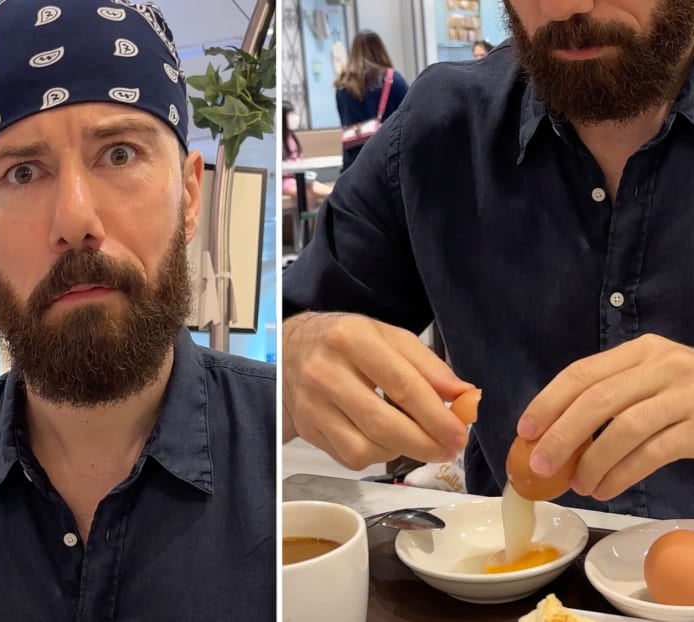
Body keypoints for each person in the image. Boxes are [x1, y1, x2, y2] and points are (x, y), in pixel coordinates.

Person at [0, 2, 275, 620]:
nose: (76, 222)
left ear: (190, 196)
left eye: (119, 155)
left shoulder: (285, 461)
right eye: (23, 172)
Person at [283, 0, 694, 520]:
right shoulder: (440, 130)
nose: (563, 5)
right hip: (503, 583)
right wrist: (297, 358)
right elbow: (280, 355)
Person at [335, 30, 408, 170]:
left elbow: (344, 120)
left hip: (352, 163)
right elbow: (410, 116)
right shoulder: (393, 80)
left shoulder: (342, 86)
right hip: (386, 161)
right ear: (380, 49)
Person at [281, 101, 333, 206]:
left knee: (332, 193)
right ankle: (308, 222)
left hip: (301, 178)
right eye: (290, 115)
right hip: (284, 182)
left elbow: (299, 157)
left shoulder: (291, 137)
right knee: (306, 193)